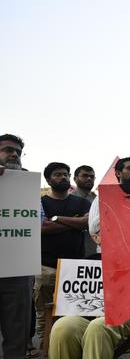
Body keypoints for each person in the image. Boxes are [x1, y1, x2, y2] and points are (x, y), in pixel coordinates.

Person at [49, 157, 130, 359]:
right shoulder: (90, 262)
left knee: (98, 328)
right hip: (89, 313)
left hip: (125, 316)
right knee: (63, 327)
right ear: (96, 235)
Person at [36, 162, 91, 346]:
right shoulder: (40, 202)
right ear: (48, 179)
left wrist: (57, 219)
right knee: (44, 315)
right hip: (45, 267)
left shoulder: (82, 202)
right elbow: (42, 227)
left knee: (74, 314)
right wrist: (73, 222)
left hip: (75, 268)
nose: (63, 177)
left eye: (66, 174)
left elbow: (87, 223)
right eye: (58, 174)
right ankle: (47, 351)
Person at [0, 134, 34, 359]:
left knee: (16, 334)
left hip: (17, 270)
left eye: (18, 152)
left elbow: (37, 222)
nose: (14, 155)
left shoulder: (26, 185)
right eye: (8, 150)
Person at [71, 165, 98, 257]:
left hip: (95, 250)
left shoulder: (99, 200)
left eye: (91, 176)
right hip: (73, 251)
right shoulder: (67, 199)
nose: (89, 178)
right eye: (85, 176)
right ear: (75, 178)